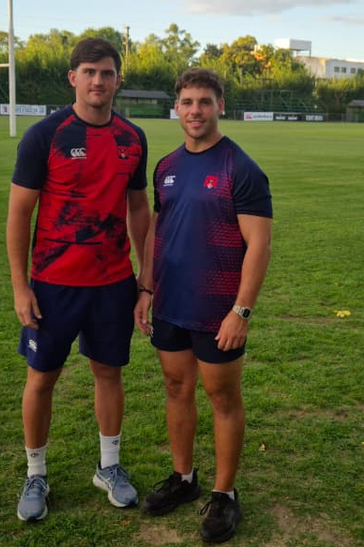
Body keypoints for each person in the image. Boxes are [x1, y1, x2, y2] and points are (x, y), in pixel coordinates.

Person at [6, 37, 150, 522]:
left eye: (106, 73)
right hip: (53, 284)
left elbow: (138, 208)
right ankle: (35, 474)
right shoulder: (44, 135)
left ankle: (108, 467)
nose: (98, 81)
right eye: (89, 72)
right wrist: (20, 287)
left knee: (109, 373)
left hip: (112, 283)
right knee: (42, 377)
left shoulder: (132, 138)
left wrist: (144, 277)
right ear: (73, 78)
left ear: (117, 80)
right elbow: (19, 214)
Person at [134, 68, 272, 543]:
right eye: (188, 102)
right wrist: (146, 288)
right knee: (176, 387)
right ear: (177, 107)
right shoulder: (166, 166)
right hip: (171, 302)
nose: (195, 111)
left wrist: (241, 311)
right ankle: (184, 477)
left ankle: (225, 494)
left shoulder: (240, 167)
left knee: (222, 398)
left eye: (205, 102)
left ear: (220, 106)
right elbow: (157, 229)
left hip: (218, 310)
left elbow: (259, 246)